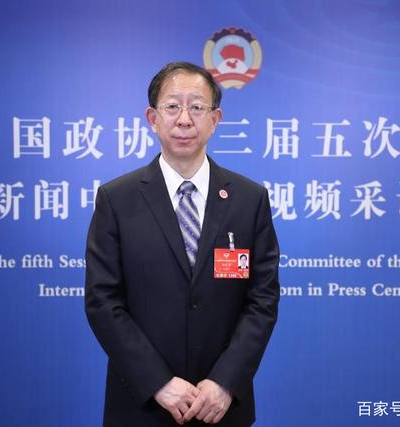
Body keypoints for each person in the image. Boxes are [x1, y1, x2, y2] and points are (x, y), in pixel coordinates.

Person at [85, 61, 280, 427]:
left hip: (221, 408)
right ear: (152, 118)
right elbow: (103, 301)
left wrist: (225, 382)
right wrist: (157, 382)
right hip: (142, 406)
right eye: (173, 106)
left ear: (216, 119)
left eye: (197, 107)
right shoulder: (117, 199)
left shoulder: (249, 199)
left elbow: (263, 300)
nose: (185, 119)